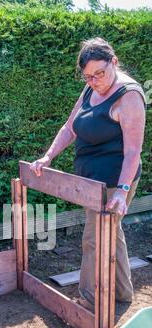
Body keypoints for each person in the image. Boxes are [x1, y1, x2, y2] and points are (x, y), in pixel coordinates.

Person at [30, 37, 147, 312]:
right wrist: (48, 156)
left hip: (114, 181)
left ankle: (89, 301)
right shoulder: (91, 87)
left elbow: (133, 152)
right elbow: (70, 127)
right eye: (87, 76)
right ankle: (122, 293)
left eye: (99, 74)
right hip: (90, 182)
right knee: (110, 232)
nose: (93, 80)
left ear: (114, 62)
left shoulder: (129, 96)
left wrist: (121, 190)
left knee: (94, 239)